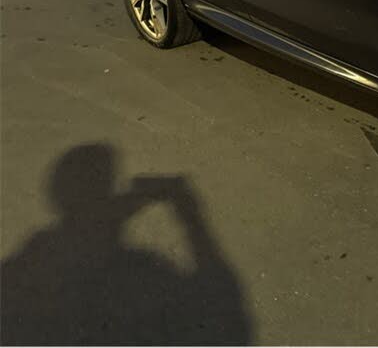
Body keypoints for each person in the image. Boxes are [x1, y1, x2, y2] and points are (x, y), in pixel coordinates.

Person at [1, 143, 251, 344]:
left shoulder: (36, 251)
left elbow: (91, 221)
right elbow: (227, 311)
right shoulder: (144, 267)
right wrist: (187, 210)